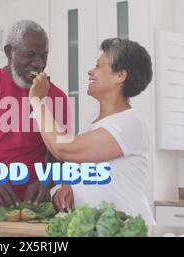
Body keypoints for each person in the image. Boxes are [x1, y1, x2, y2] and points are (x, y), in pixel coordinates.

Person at [28, 38, 155, 225]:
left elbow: (63, 149)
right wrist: (68, 187)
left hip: (126, 229)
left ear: (120, 76)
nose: (90, 72)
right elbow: (79, 164)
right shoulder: (92, 121)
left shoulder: (131, 122)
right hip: (98, 228)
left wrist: (37, 101)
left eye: (98, 66)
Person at [0, 20, 69, 208]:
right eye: (30, 55)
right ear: (9, 52)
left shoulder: (56, 97)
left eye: (44, 56)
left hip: (32, 207)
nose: (39, 64)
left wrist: (46, 180)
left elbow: (61, 154)